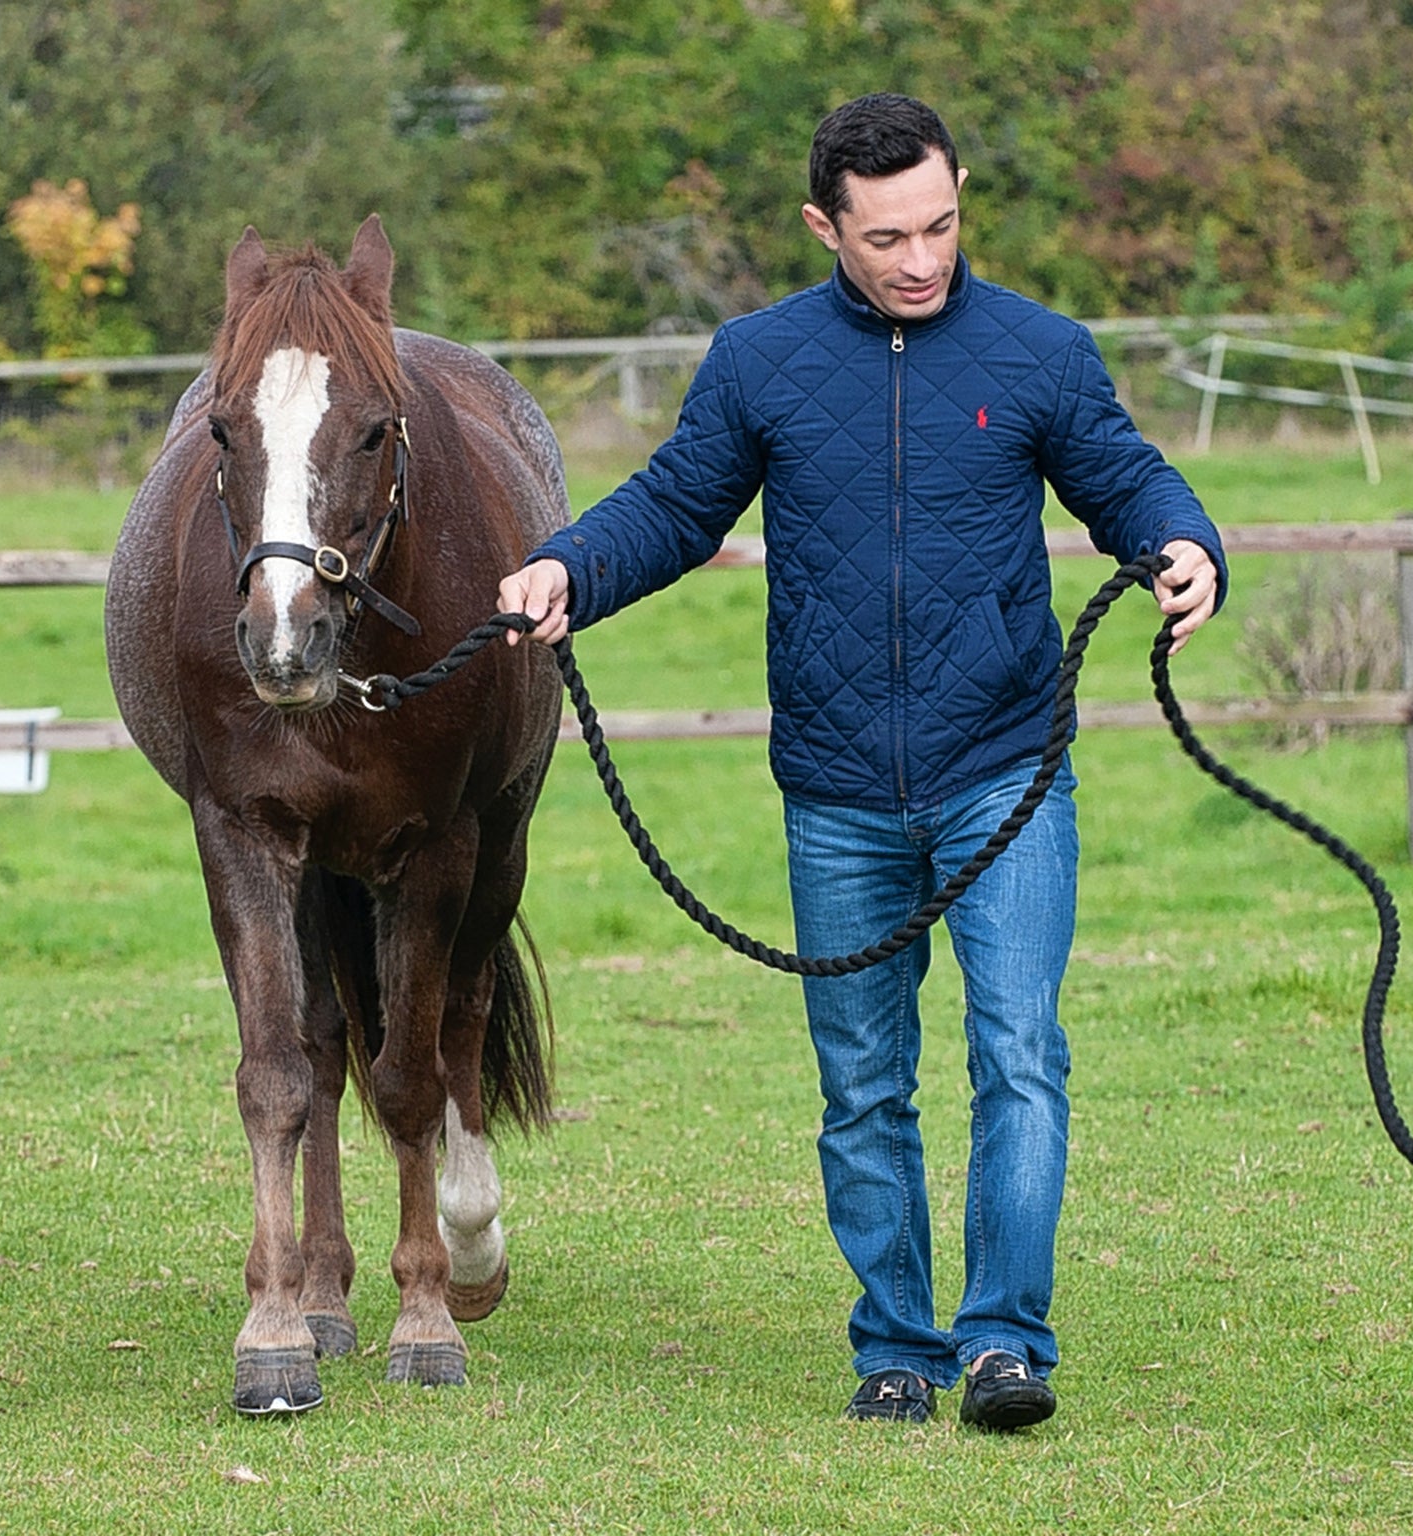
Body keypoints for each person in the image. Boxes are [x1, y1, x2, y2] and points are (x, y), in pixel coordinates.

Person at [499, 92, 1227, 1430]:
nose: (920, 257)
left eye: (941, 224)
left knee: (1018, 1054)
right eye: (887, 233)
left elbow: (1128, 480)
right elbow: (672, 507)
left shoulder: (1038, 352)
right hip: (836, 793)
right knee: (861, 1085)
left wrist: (1184, 546)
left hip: (1005, 769)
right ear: (822, 223)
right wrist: (566, 569)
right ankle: (896, 1341)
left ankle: (1007, 1344)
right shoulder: (760, 362)